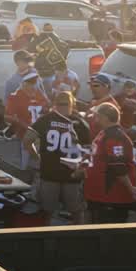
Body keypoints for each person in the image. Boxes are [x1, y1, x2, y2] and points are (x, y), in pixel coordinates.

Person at [26, 91, 91, 224]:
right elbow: (88, 152)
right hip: (72, 175)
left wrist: (37, 157)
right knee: (77, 212)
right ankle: (79, 238)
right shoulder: (79, 123)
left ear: (54, 104)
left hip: (49, 173)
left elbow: (27, 141)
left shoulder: (44, 120)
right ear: (72, 105)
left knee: (46, 213)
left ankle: (47, 240)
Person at [83, 103, 136, 224]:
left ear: (105, 117)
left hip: (111, 196)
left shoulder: (115, 136)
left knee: (108, 234)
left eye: (97, 116)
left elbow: (118, 167)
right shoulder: (104, 133)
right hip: (99, 194)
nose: (95, 119)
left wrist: (131, 189)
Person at [5, 71, 50, 174]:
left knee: (41, 162)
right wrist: (20, 122)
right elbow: (7, 116)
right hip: (25, 134)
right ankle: (24, 181)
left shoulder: (40, 95)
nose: (34, 87)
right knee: (25, 163)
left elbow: (48, 110)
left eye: (35, 84)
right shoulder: (15, 97)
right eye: (31, 84)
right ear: (24, 84)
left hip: (41, 135)